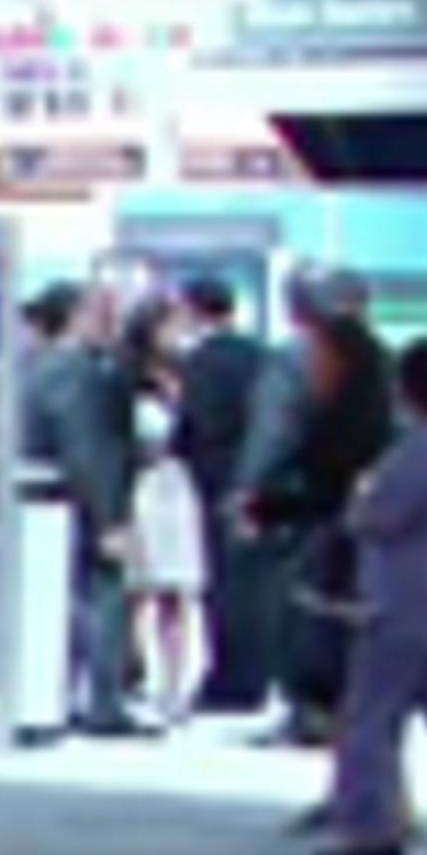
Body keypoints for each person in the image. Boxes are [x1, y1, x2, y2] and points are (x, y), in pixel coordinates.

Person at [248, 274, 394, 752]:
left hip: (319, 512)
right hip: (358, 514)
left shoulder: (300, 359)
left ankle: (313, 709)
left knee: (306, 610)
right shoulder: (381, 363)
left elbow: (276, 432)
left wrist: (253, 490)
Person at [318, 337, 427, 855]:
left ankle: (371, 830)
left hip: (404, 600)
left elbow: (376, 517)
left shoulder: (416, 453)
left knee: (370, 719)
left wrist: (360, 498)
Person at [21, 283, 144, 739]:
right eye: (99, 313)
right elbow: (86, 448)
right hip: (75, 503)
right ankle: (103, 703)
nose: (109, 323)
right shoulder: (78, 373)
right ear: (75, 317)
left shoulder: (33, 365)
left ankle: (57, 695)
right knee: (101, 598)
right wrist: (110, 517)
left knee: (62, 603)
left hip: (42, 501)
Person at [171, 275, 275, 713]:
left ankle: (229, 679)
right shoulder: (260, 355)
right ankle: (258, 674)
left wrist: (177, 449)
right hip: (258, 478)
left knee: (222, 581)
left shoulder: (200, 361)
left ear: (194, 309)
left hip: (215, 477)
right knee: (254, 582)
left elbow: (198, 423)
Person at [121, 300, 210, 726]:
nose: (180, 334)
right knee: (134, 589)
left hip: (176, 486)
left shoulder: (189, 376)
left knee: (176, 591)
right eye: (172, 326)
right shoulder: (125, 377)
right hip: (140, 486)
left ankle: (173, 688)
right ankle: (127, 672)